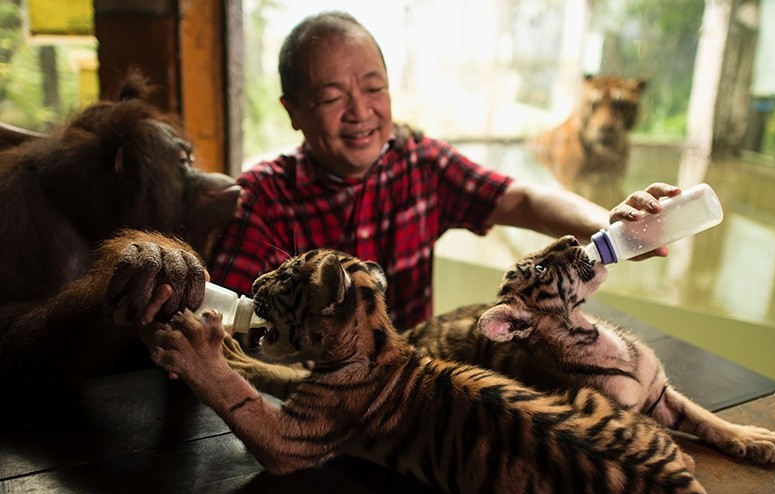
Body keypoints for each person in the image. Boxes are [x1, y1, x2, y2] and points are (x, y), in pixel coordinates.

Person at [124, 10, 677, 332]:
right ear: (292, 110)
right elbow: (233, 327)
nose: (361, 112)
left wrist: (609, 220)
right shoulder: (264, 197)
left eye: (372, 88)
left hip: (415, 387)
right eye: (332, 96)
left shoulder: (419, 163)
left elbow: (521, 199)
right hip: (307, 403)